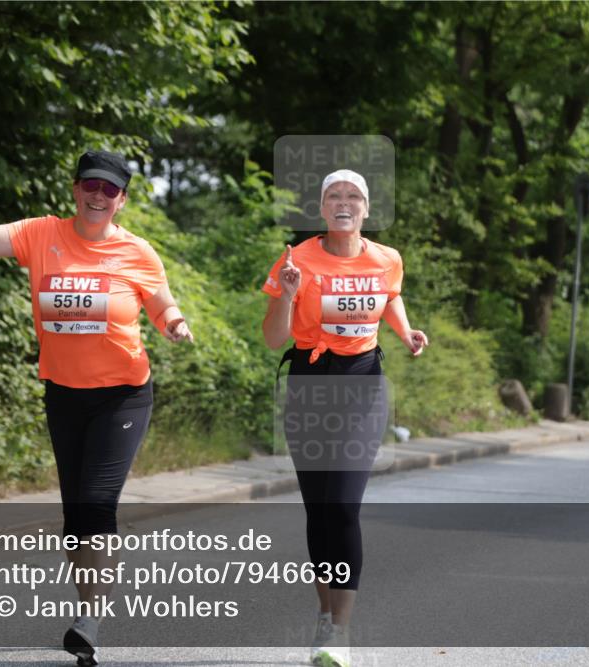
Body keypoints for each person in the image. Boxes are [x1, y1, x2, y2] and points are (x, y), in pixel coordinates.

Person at [0, 141, 193, 666]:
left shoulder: (137, 252)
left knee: (97, 503)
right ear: (76, 190)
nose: (98, 196)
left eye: (110, 189)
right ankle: (88, 609)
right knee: (74, 516)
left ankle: (90, 622)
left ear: (122, 200)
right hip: (63, 392)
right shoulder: (41, 234)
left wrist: (174, 322)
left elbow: (160, 299)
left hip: (124, 395)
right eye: (91, 185)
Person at [262, 169, 428, 667]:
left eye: (353, 195)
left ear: (366, 209)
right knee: (318, 509)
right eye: (333, 195)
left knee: (344, 507)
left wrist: (404, 331)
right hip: (310, 386)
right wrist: (289, 295)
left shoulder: (386, 259)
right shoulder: (296, 260)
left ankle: (340, 629)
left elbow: (391, 294)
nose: (343, 201)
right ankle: (324, 613)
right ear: (321, 208)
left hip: (362, 386)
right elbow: (273, 338)